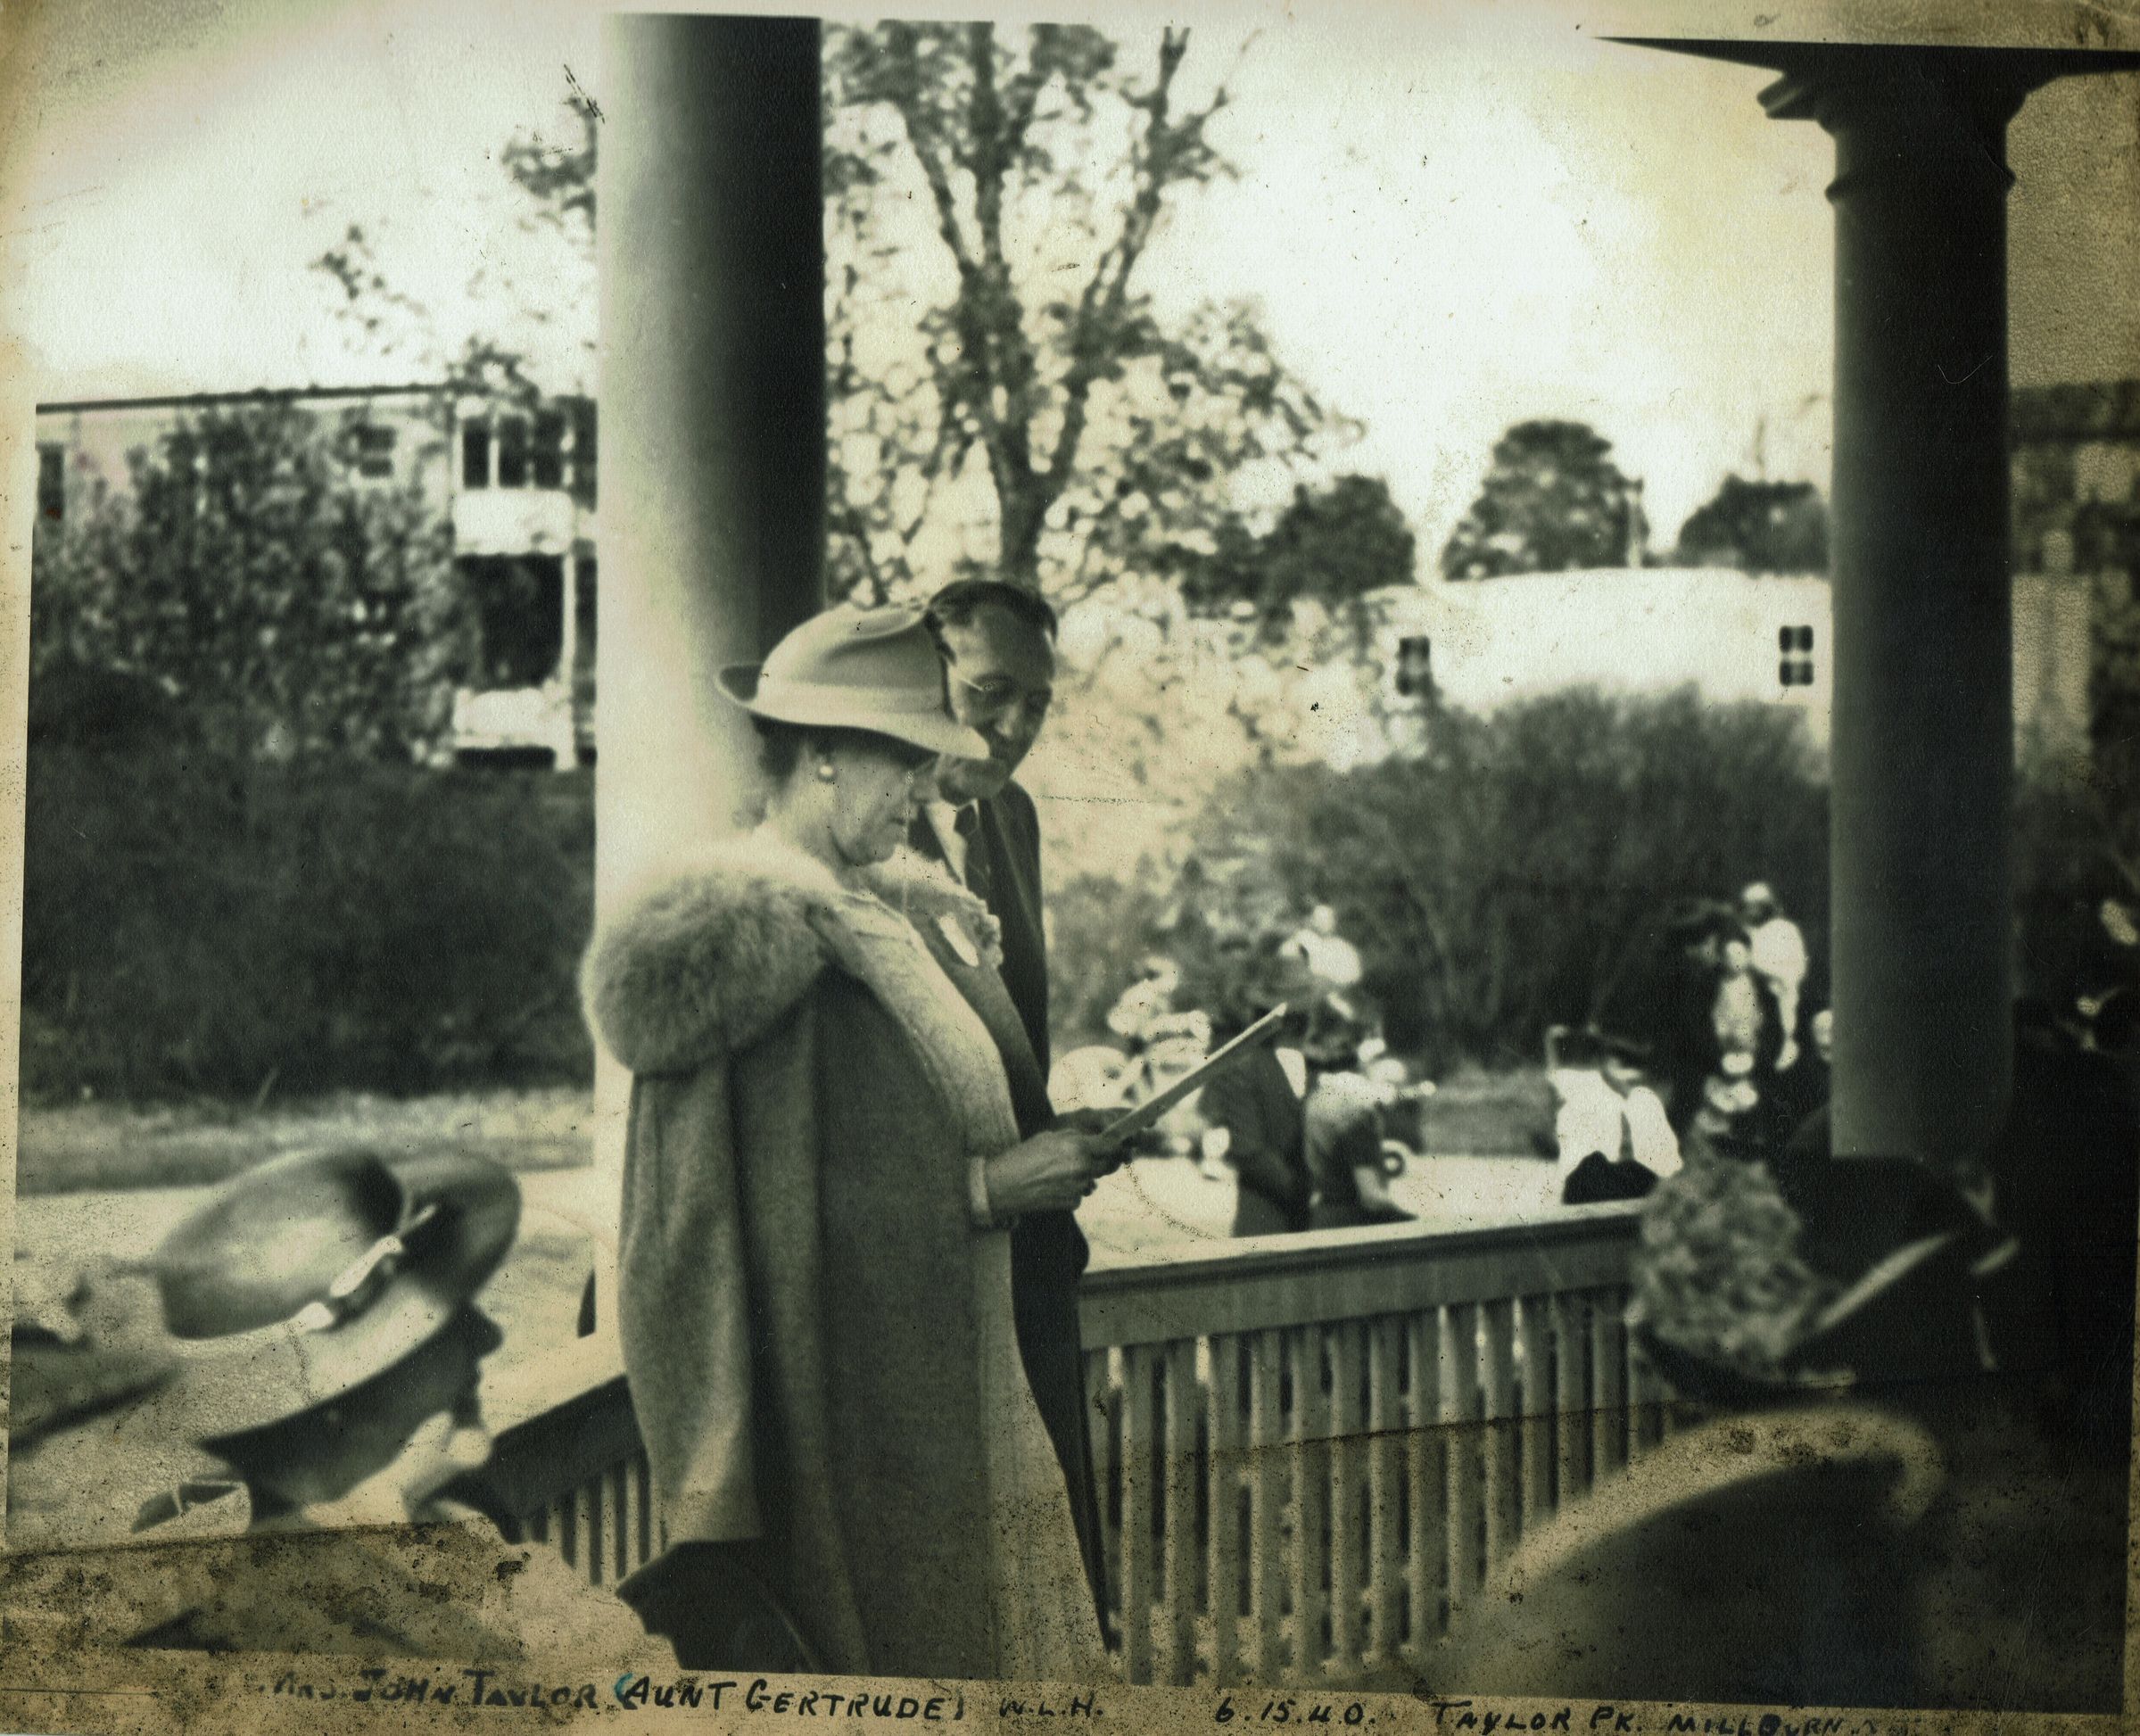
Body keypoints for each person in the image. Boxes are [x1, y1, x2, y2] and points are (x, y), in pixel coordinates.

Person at [583, 604, 1115, 1681]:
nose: (925, 793)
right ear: (819, 751)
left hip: (966, 1381)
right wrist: (984, 1189)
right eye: (906, 763)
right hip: (856, 1434)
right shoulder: (744, 943)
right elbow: (700, 1239)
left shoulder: (902, 916)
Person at [2, 1147, 658, 1665]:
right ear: (339, 1394)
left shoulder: (443, 1524)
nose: (487, 1335)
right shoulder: (282, 1630)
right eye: (442, 1324)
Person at [910, 577, 1111, 1622]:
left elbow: (1007, 1038)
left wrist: (1053, 1129)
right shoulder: (863, 836)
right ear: (921, 671)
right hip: (925, 1303)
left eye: (1037, 703)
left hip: (1033, 1276)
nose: (1015, 726)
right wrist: (986, 1182)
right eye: (990, 691)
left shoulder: (1009, 816)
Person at [1741, 881, 1809, 1069]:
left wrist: (1785, 976)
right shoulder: (1752, 933)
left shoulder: (1786, 929)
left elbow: (1799, 963)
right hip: (1761, 992)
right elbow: (1752, 961)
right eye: (1749, 907)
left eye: (1756, 906)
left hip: (1784, 988)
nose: (1751, 911)